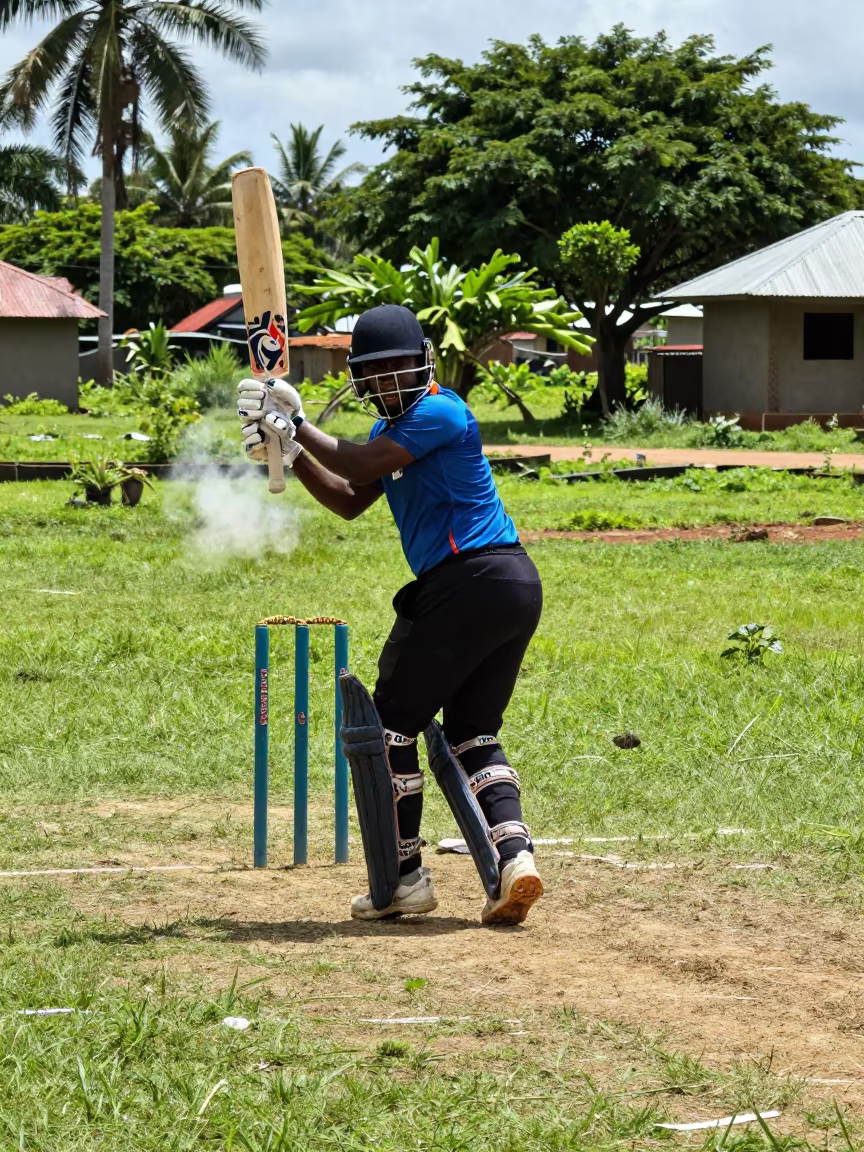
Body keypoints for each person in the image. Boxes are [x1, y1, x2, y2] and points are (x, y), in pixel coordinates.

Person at [238, 304, 544, 926]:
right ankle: (515, 861)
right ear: (361, 377)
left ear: (423, 363)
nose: (389, 379)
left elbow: (357, 463)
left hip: (470, 580)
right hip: (510, 587)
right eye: (376, 371)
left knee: (391, 729)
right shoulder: (391, 432)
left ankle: (405, 879)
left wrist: (295, 424)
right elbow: (350, 498)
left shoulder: (440, 410)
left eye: (399, 366)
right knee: (472, 732)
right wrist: (288, 452)